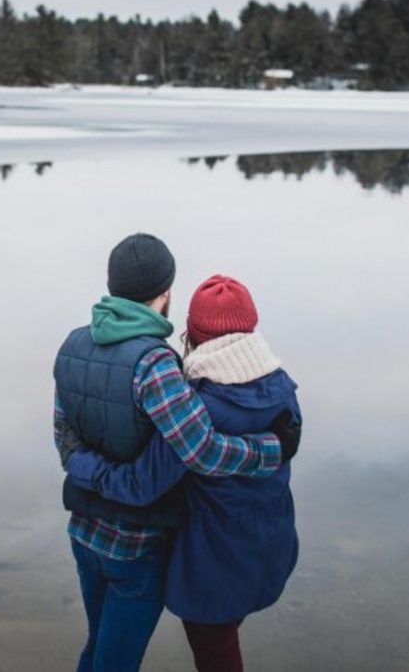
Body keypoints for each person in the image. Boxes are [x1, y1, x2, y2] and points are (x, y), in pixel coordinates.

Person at [54, 235, 300, 672]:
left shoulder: (71, 345)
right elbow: (198, 452)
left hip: (83, 533)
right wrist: (273, 449)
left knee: (98, 649)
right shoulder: (157, 363)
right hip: (136, 544)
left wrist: (78, 466)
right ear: (165, 293)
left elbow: (63, 433)